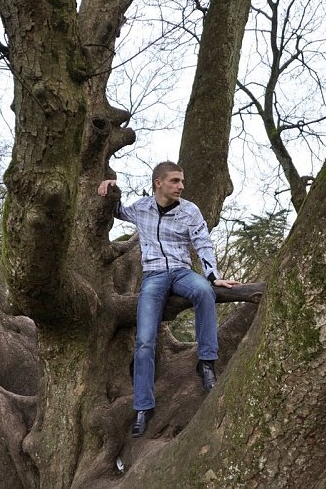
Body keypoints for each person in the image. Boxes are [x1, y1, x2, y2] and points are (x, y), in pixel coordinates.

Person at [98, 161, 239, 438]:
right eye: (175, 181)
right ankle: (143, 407)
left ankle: (206, 362)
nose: (181, 186)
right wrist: (108, 186)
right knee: (144, 340)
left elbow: (203, 243)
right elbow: (117, 210)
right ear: (158, 183)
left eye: (182, 181)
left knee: (204, 292)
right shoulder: (142, 208)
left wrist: (213, 276)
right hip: (153, 277)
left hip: (182, 273)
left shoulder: (190, 211)